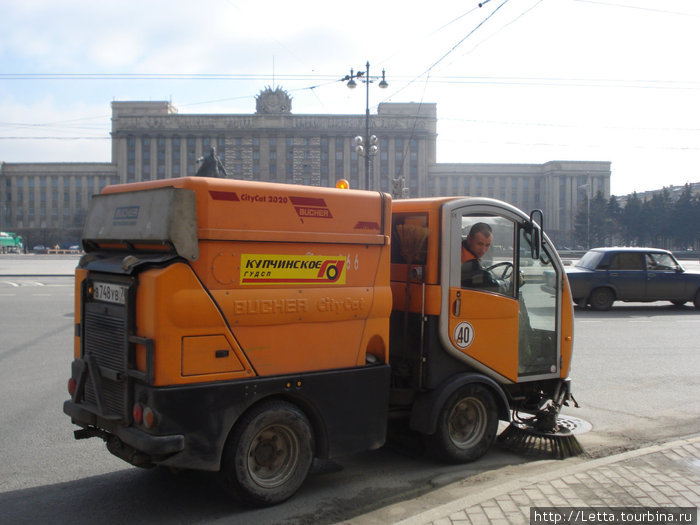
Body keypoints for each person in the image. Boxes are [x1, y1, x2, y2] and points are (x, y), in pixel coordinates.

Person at [460, 222, 510, 294]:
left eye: (487, 245)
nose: (483, 250)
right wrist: (510, 282)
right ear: (469, 239)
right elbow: (493, 287)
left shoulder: (461, 250)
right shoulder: (471, 265)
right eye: (480, 244)